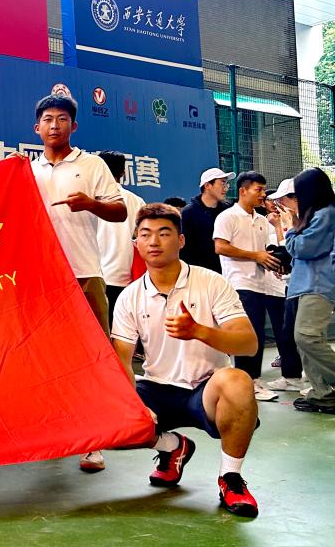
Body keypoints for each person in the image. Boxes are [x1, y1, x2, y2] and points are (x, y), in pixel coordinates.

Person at [112, 203, 260, 518]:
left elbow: (248, 344)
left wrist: (199, 331)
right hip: (157, 388)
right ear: (136, 243)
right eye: (145, 234)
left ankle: (230, 477)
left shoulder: (212, 282)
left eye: (164, 233)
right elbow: (121, 360)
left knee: (237, 381)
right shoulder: (129, 297)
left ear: (180, 240)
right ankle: (172, 446)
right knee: (106, 416)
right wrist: (133, 406)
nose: (154, 241)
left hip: (206, 389)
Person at [27, 94, 126, 474]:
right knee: (46, 358)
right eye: (48, 119)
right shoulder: (27, 171)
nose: (55, 125)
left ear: (74, 125)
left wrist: (91, 204)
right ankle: (52, 432)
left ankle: (94, 440)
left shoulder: (92, 164)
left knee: (93, 356)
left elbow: (119, 211)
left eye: (62, 119)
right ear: (37, 127)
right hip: (41, 277)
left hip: (85, 272)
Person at [213, 171, 281, 401]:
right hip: (239, 284)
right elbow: (220, 247)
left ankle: (253, 379)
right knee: (247, 335)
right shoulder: (227, 217)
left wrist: (273, 262)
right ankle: (247, 381)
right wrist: (255, 256)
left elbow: (265, 252)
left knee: (257, 334)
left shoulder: (262, 220)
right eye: (258, 189)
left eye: (263, 190)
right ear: (243, 191)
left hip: (261, 284)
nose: (263, 194)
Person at [283, 168, 335, 414]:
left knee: (307, 336)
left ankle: (325, 390)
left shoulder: (326, 214)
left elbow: (304, 248)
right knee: (304, 341)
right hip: (306, 284)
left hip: (318, 284)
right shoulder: (318, 215)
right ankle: (322, 394)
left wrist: (289, 228)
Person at [263, 179, 306, 392]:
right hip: (293, 284)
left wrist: (284, 226)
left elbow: (295, 249)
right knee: (292, 334)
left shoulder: (312, 219)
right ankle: (295, 377)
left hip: (308, 286)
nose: (278, 204)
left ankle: (320, 379)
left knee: (305, 336)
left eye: (282, 200)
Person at [96, 150, 146, 324]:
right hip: (124, 279)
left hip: (95, 278)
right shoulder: (137, 201)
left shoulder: (89, 200)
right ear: (124, 173)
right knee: (121, 333)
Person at [180, 168, 234, 273]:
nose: (226, 188)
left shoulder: (228, 211)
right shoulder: (188, 213)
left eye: (226, 184)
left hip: (226, 273)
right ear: (207, 185)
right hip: (198, 273)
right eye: (222, 183)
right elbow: (184, 249)